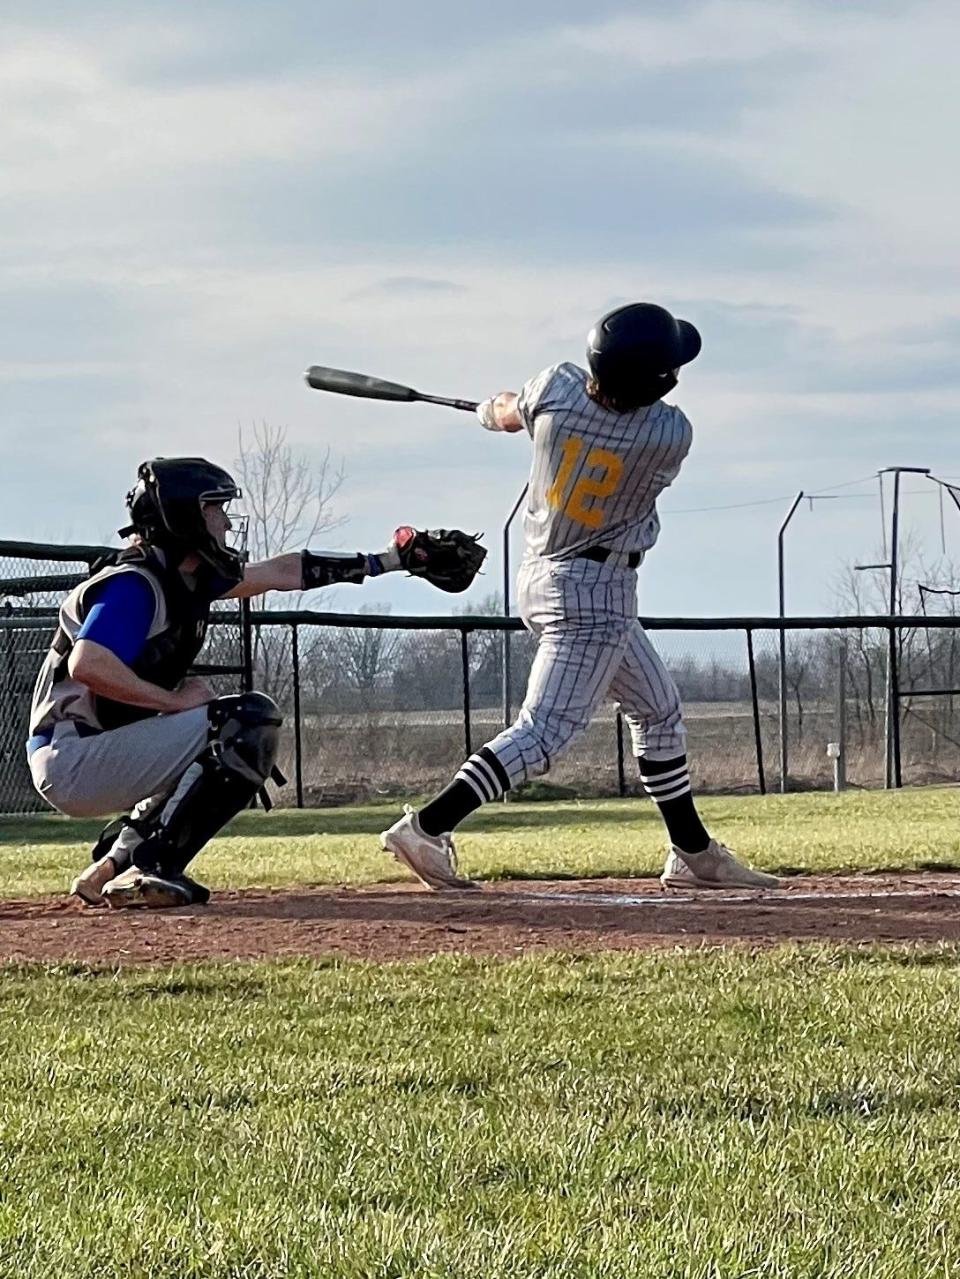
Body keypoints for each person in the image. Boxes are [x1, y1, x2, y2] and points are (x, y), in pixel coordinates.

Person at [381, 303, 779, 893]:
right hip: (593, 592)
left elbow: (507, 411)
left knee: (659, 710)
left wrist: (492, 412)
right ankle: (427, 827)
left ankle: (694, 854)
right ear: (656, 382)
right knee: (543, 732)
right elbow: (618, 412)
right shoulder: (668, 434)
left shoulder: (555, 387)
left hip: (544, 574)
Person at [27, 457, 485, 909]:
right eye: (215, 510)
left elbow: (281, 573)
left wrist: (387, 561)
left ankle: (115, 865)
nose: (226, 523)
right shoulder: (136, 586)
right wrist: (169, 700)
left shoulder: (182, 579)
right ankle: (152, 867)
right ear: (185, 517)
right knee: (243, 722)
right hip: (73, 756)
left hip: (91, 750)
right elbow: (89, 663)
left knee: (214, 738)